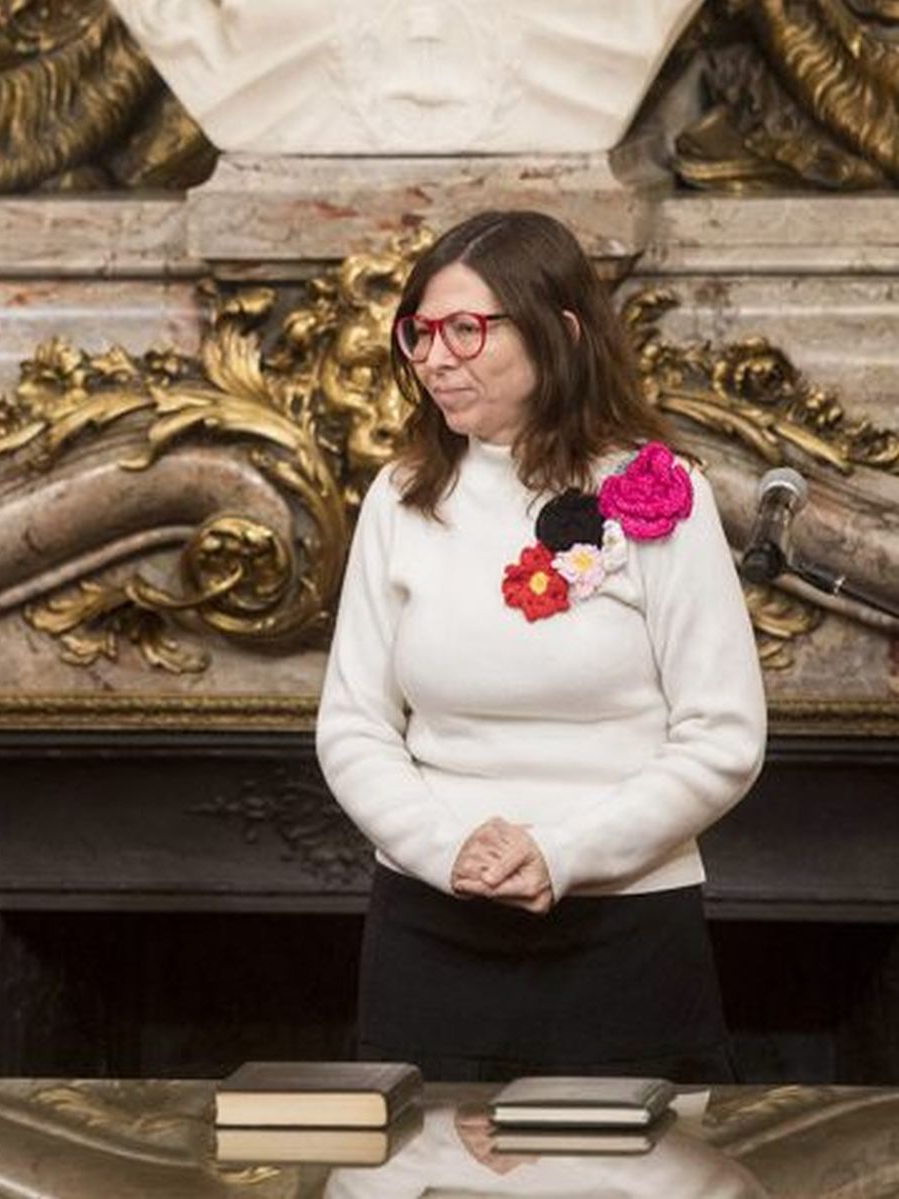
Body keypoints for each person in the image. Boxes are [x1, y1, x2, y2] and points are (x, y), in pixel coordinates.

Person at [316, 210, 766, 1082]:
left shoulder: (657, 492)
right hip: (431, 931)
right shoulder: (399, 497)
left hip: (625, 938)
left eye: (465, 329)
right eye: (419, 333)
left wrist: (563, 852)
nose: (435, 358)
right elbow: (353, 725)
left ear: (559, 331)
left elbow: (724, 735)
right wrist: (446, 848)